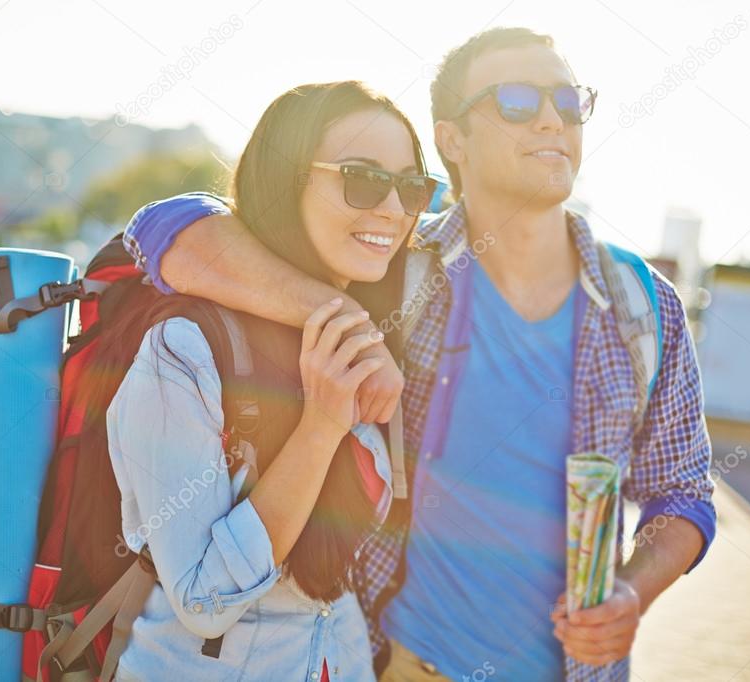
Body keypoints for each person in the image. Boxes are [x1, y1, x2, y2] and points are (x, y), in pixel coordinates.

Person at [122, 28, 717, 682]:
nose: (551, 117)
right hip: (392, 663)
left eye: (567, 101)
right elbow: (162, 228)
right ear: (451, 139)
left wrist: (633, 592)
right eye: (516, 100)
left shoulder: (643, 307)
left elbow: (681, 492)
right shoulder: (391, 272)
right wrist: (340, 313)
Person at [97, 80, 436, 680]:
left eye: (413, 186)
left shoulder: (378, 329)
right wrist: (323, 426)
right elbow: (203, 601)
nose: (392, 208)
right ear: (286, 179)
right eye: (361, 177)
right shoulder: (188, 348)